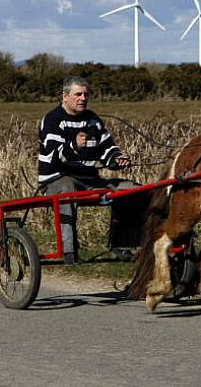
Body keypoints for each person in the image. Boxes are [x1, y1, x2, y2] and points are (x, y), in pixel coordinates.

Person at [38, 76, 134, 264]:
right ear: (65, 97)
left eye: (86, 94)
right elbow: (54, 158)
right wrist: (74, 146)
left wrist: (117, 159)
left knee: (132, 190)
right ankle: (69, 252)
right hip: (57, 178)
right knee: (68, 189)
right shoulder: (53, 120)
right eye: (78, 94)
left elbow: (106, 148)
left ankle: (121, 246)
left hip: (89, 179)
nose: (83, 98)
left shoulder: (93, 120)